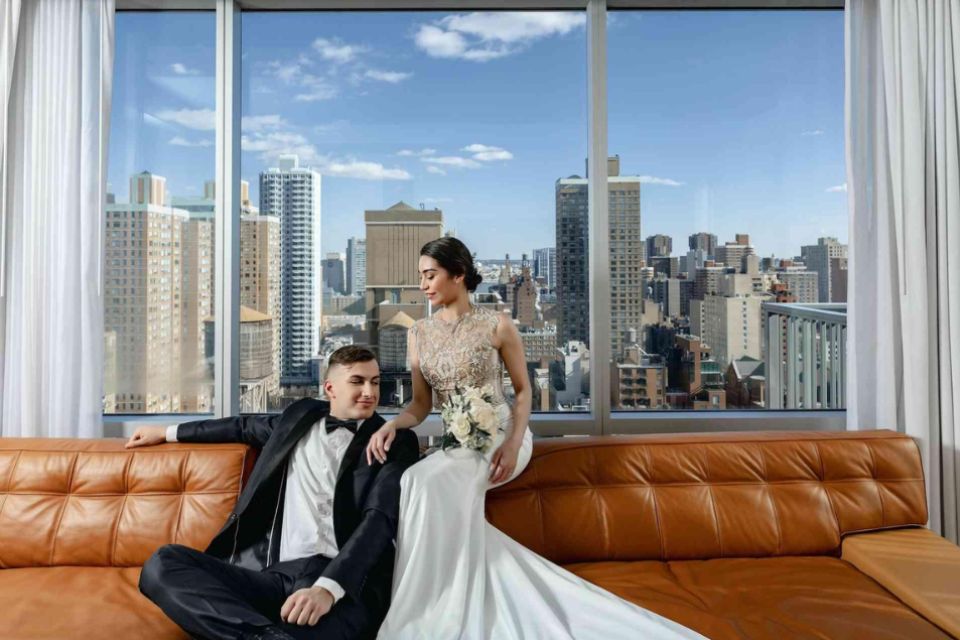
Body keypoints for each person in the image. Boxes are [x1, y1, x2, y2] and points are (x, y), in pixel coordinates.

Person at [368, 237, 706, 640]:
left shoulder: (497, 324)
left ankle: (431, 610)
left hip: (501, 437)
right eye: (421, 276)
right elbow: (421, 405)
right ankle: (426, 606)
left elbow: (524, 391)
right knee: (414, 481)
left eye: (430, 275)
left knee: (424, 481)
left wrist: (511, 443)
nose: (423, 284)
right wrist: (391, 423)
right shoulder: (419, 333)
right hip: (457, 443)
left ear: (458, 274)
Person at [128, 345, 420, 640]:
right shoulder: (299, 417)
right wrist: (166, 433)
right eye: (357, 381)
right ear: (330, 388)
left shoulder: (395, 441)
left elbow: (378, 522)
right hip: (274, 578)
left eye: (375, 381)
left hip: (343, 586)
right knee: (161, 564)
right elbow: (241, 426)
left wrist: (326, 589)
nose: (370, 392)